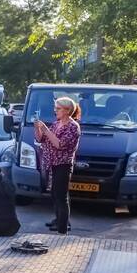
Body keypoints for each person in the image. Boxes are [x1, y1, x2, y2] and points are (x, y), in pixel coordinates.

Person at [34, 96, 81, 234]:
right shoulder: (56, 124)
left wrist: (46, 131)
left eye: (58, 108)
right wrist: (38, 128)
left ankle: (63, 229)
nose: (56, 111)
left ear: (67, 110)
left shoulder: (73, 127)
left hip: (63, 164)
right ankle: (58, 220)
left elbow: (59, 144)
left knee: (61, 196)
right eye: (55, 108)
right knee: (54, 194)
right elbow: (41, 139)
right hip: (52, 164)